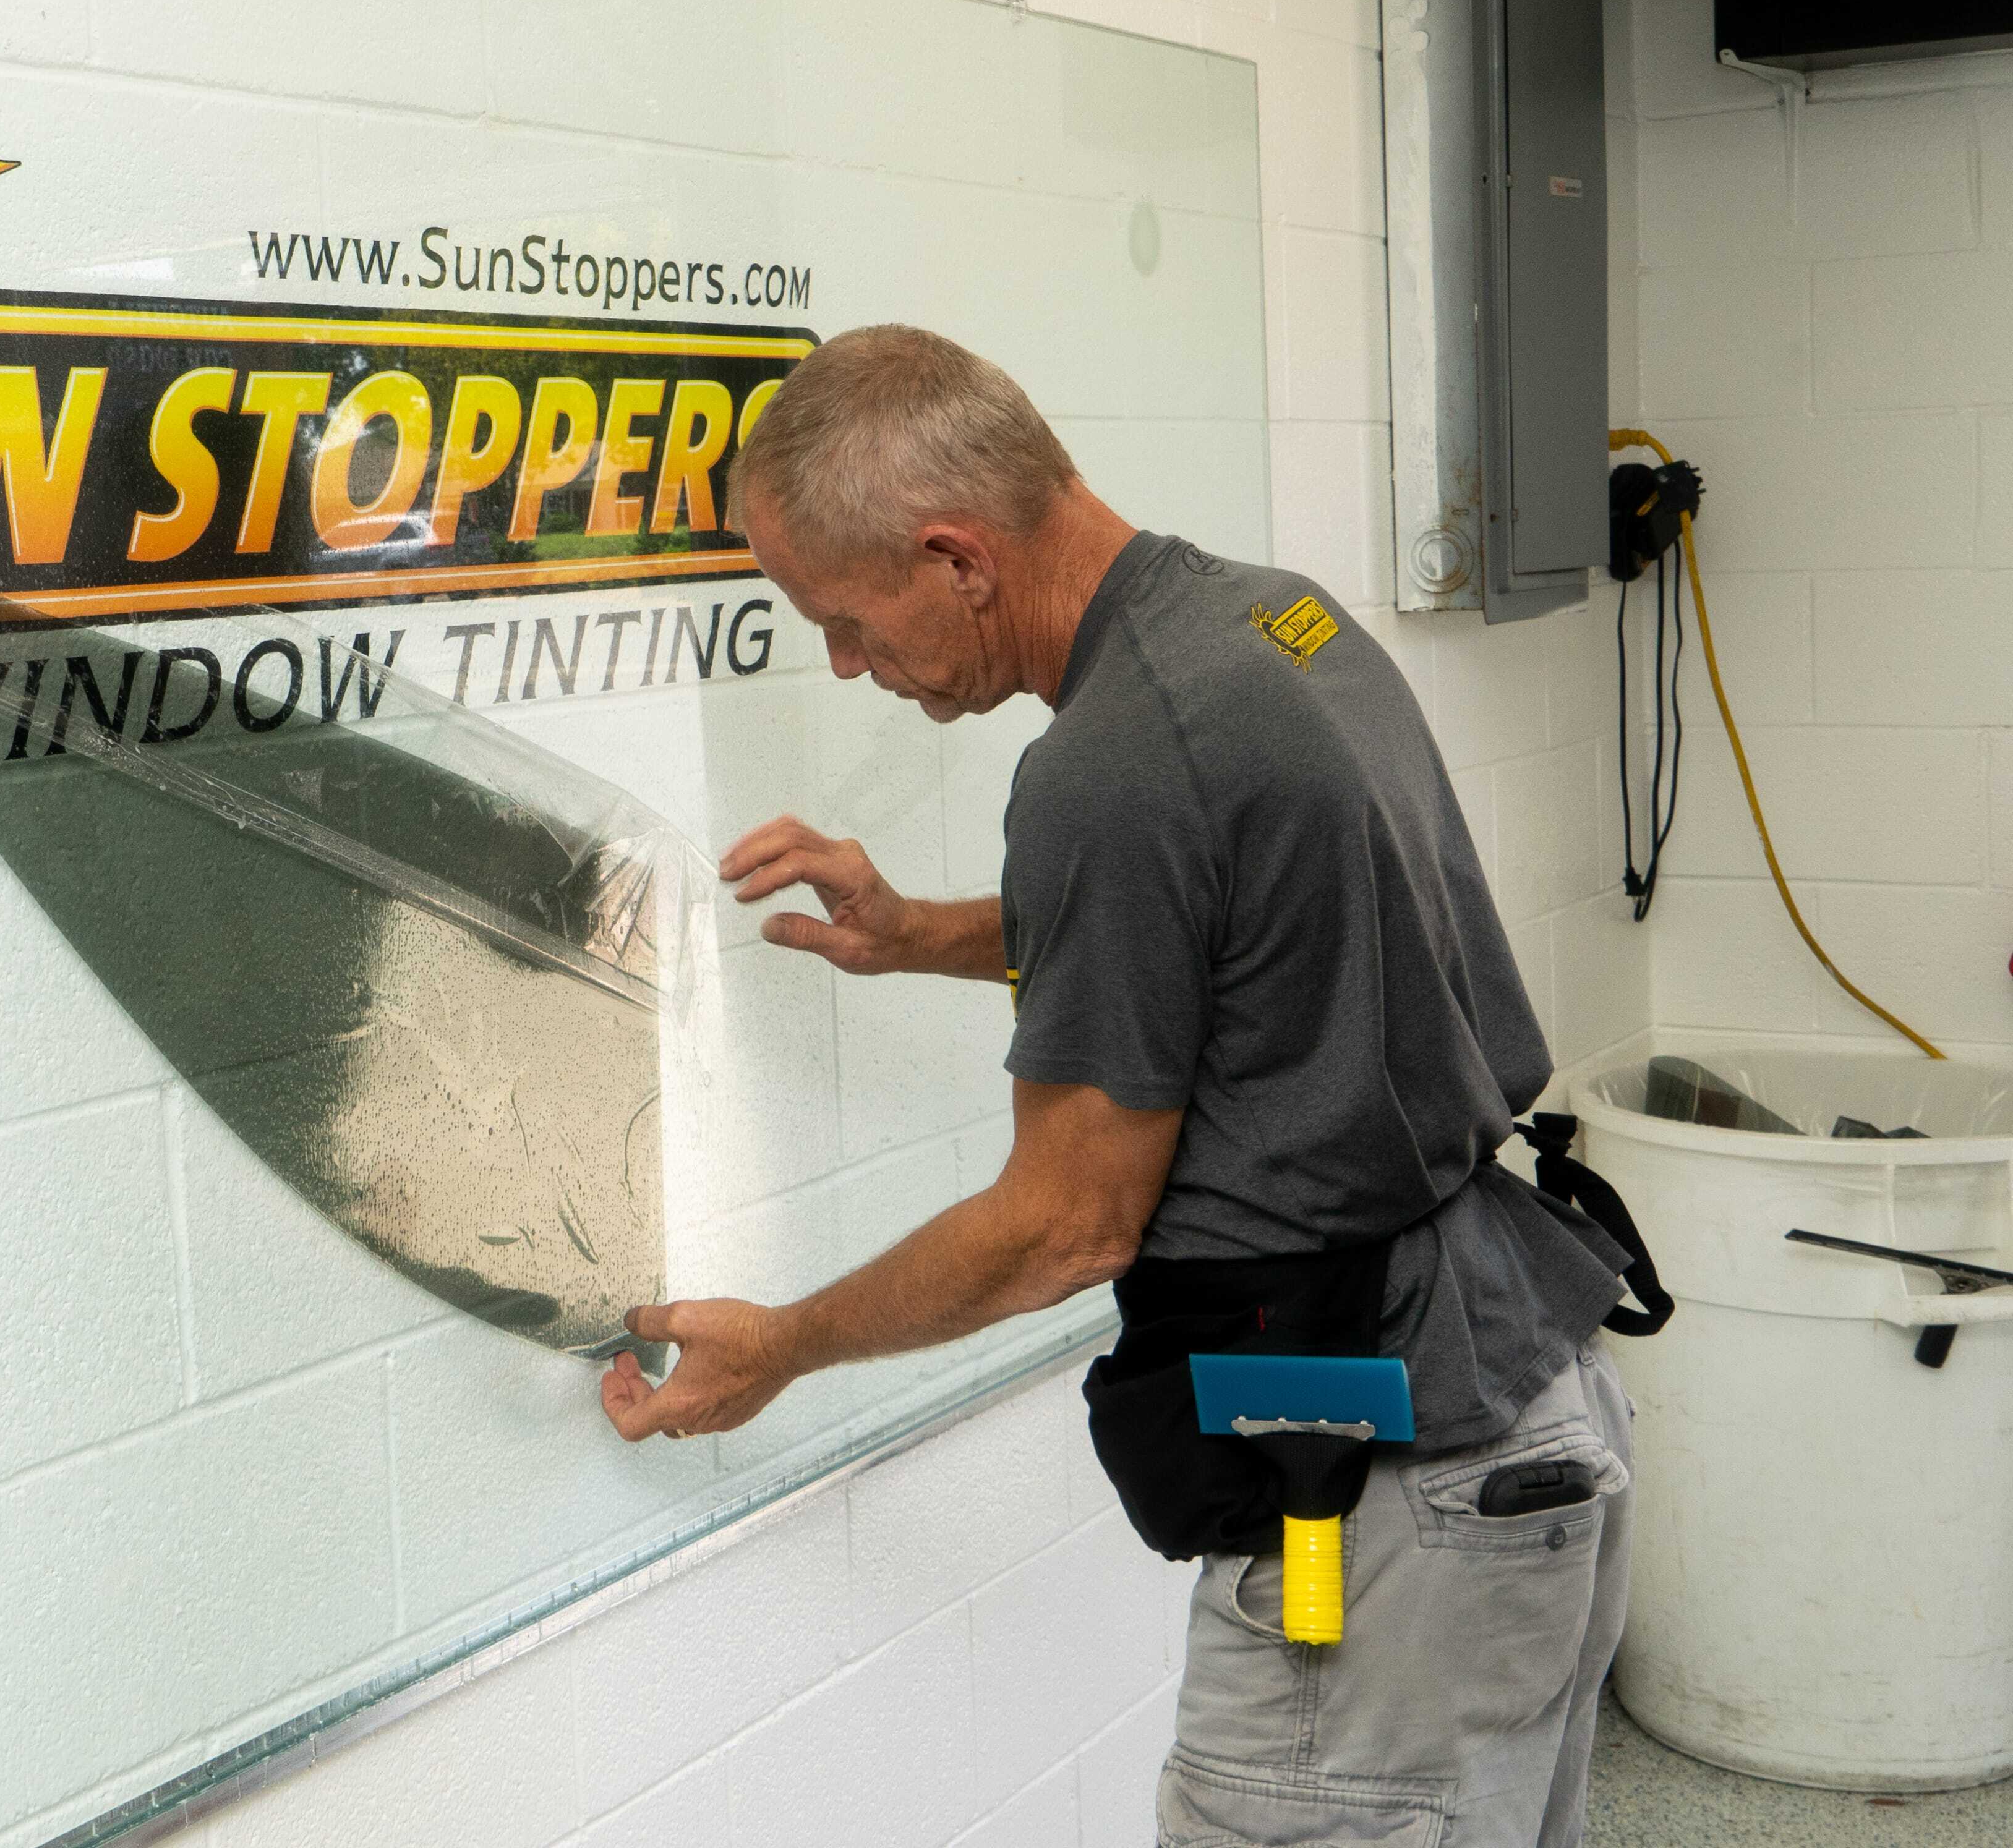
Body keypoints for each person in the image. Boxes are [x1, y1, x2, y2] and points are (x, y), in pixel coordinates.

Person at [597, 324, 1649, 1848]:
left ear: (955, 557)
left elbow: (1064, 1225)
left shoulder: (1109, 765)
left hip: (1389, 1503)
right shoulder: (1270, 619)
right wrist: (919, 933)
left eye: (843, 619)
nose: (844, 663)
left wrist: (783, 1344)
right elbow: (1230, 928)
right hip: (1521, 1409)